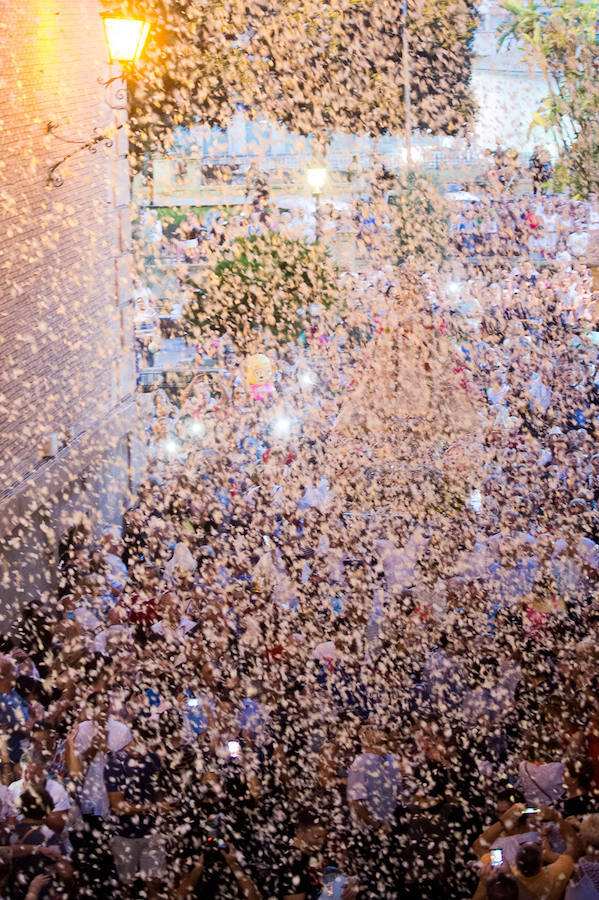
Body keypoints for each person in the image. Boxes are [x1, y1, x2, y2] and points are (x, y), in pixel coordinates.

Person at [104, 719, 166, 899]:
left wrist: (162, 814)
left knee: (154, 883)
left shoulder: (153, 758)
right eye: (146, 745)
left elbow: (157, 789)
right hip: (124, 834)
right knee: (127, 886)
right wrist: (154, 807)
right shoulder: (116, 762)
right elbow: (118, 806)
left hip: (152, 831)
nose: (148, 750)